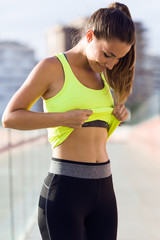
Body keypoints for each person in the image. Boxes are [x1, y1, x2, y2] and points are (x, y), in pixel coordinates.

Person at [2, 2, 136, 240]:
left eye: (118, 59)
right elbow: (10, 117)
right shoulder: (52, 67)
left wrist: (118, 117)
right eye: (108, 55)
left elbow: (96, 136)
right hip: (65, 191)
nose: (111, 64)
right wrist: (63, 118)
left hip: (104, 188)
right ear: (90, 35)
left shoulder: (102, 76)